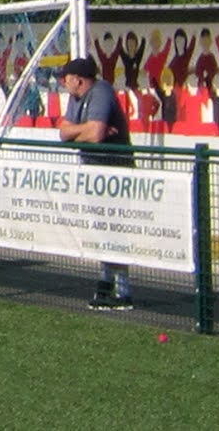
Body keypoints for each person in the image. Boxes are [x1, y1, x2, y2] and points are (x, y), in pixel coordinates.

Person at [57, 57, 134, 310]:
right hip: (94, 172)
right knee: (101, 227)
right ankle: (105, 281)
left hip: (115, 172)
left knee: (115, 227)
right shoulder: (75, 98)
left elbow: (96, 134)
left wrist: (85, 131)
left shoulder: (101, 91)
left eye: (66, 77)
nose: (63, 82)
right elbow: (63, 132)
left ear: (79, 79)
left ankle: (122, 290)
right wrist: (85, 130)